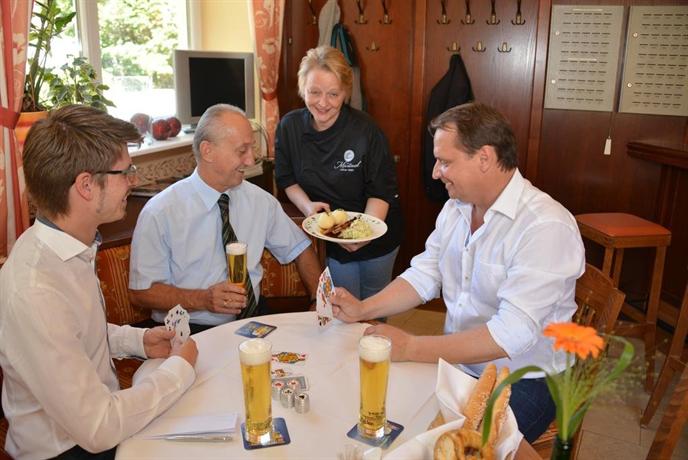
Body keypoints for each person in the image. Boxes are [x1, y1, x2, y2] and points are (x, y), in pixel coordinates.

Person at [331, 103, 585, 443]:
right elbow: (425, 273)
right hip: (461, 365)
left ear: (485, 158)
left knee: (455, 448)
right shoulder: (456, 208)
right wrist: (363, 308)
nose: (436, 173)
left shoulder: (545, 226)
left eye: (445, 162)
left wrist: (412, 347)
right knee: (376, 411)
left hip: (528, 379)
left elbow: (511, 335)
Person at [0, 105, 198, 460]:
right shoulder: (34, 290)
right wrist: (178, 371)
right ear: (86, 185)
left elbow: (75, 332)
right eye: (125, 172)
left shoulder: (67, 244)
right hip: (69, 451)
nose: (133, 181)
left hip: (95, 428)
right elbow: (98, 427)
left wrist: (139, 340)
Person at [129, 104, 321, 333]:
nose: (251, 160)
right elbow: (141, 292)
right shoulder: (160, 212)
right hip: (191, 328)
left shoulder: (260, 201)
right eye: (242, 151)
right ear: (208, 151)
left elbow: (300, 248)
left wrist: (317, 299)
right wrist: (203, 299)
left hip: (254, 318)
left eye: (251, 149)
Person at [274, 45, 403, 300]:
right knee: (342, 305)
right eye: (314, 92)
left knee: (373, 307)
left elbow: (381, 191)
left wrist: (363, 233)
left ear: (345, 93)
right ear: (302, 89)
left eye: (333, 94)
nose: (323, 103)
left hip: (376, 232)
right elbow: (286, 179)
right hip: (331, 237)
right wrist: (308, 207)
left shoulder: (366, 130)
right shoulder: (289, 127)